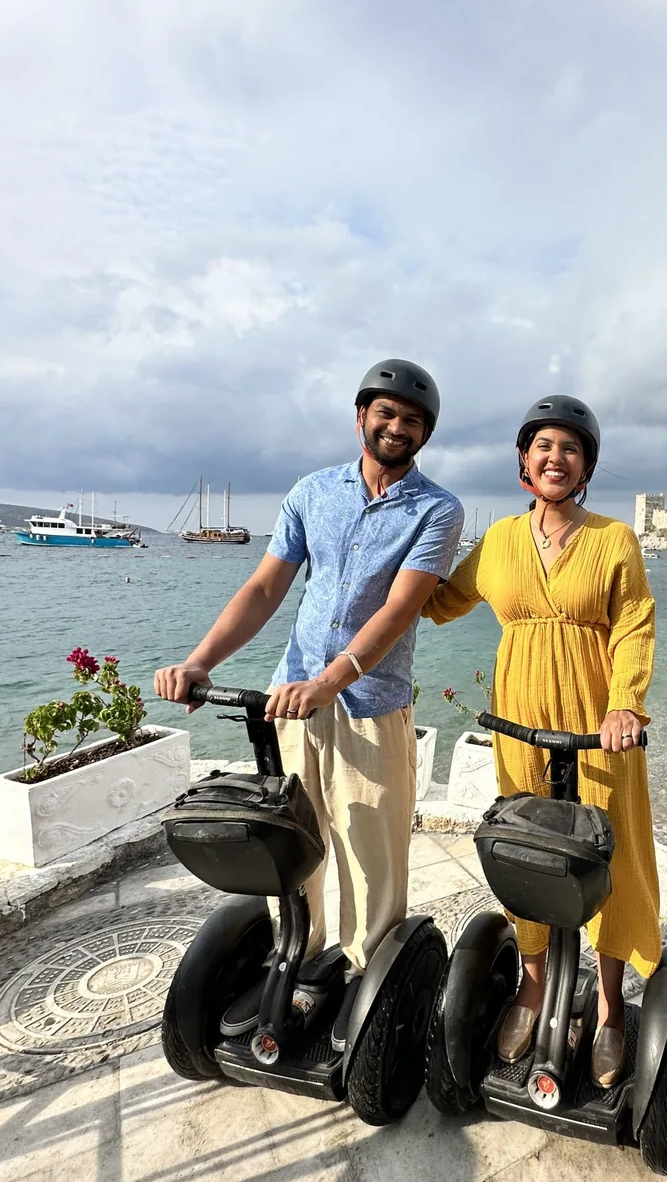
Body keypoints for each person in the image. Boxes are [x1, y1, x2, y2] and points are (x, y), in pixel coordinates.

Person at [155, 359, 464, 975]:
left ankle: (367, 986)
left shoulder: (437, 509)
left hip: (370, 704)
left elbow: (400, 610)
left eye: (411, 419)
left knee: (371, 860)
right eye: (385, 413)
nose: (396, 427)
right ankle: (295, 962)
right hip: (291, 699)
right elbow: (266, 589)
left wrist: (329, 684)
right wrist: (199, 662)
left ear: (425, 434)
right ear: (360, 419)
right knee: (290, 844)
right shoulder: (313, 492)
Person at [425, 393, 660, 1088]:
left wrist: (626, 706)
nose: (556, 458)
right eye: (544, 446)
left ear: (585, 466)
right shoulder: (498, 540)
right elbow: (439, 599)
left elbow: (634, 623)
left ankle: (612, 1004)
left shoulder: (614, 538)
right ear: (525, 460)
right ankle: (531, 985)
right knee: (526, 849)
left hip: (599, 728)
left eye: (571, 449)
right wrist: (375, 586)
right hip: (520, 719)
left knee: (606, 848)